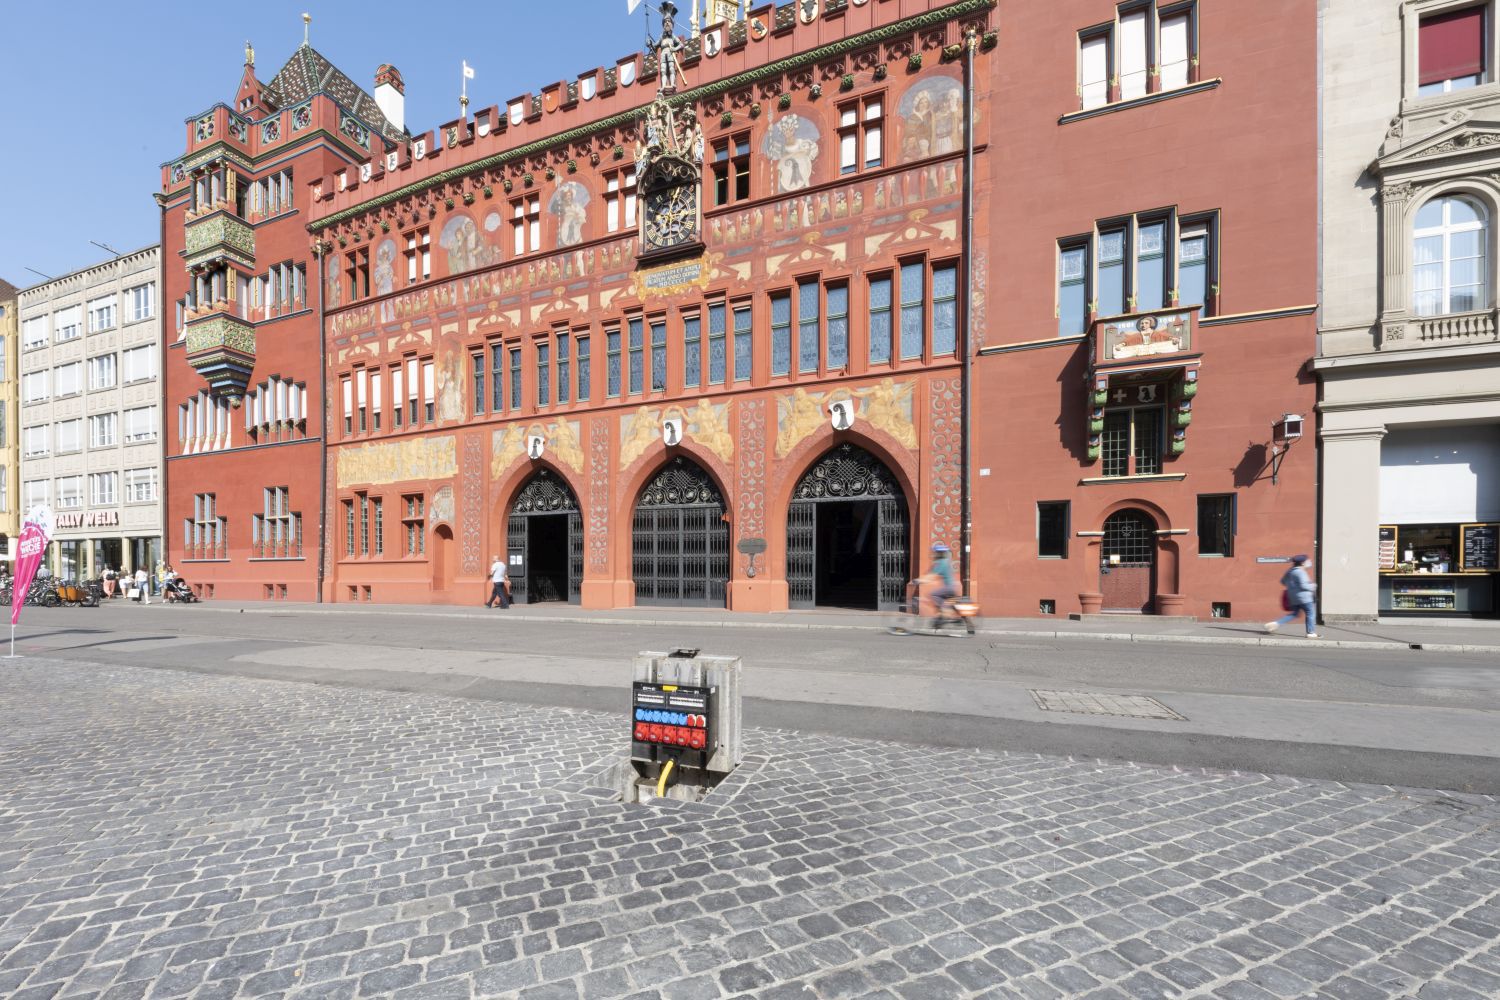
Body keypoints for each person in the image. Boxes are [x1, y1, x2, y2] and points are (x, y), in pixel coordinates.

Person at [1267, 554, 1318, 638]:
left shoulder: (1290, 571)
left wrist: (1292, 587)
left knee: (1294, 614)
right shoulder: (1301, 572)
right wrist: (1313, 586)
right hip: (1305, 598)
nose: (1309, 562)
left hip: (1294, 598)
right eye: (1307, 561)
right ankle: (1311, 632)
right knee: (1310, 613)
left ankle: (1276, 623)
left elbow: (1283, 581)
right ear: (1302, 563)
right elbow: (1304, 586)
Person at [927, 542, 958, 622]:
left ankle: (945, 613)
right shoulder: (946, 561)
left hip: (948, 588)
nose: (933, 554)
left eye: (935, 553)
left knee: (933, 594)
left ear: (938, 554)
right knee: (945, 600)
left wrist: (917, 581)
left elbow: (931, 576)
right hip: (952, 587)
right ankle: (949, 616)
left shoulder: (941, 563)